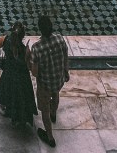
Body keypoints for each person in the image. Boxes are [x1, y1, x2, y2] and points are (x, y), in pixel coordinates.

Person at [29, 14, 69, 148]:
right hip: (58, 79)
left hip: (45, 84)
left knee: (44, 110)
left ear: (40, 29)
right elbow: (65, 57)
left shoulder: (37, 48)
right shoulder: (60, 39)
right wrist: (66, 71)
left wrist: (28, 59)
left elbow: (35, 73)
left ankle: (50, 137)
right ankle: (54, 113)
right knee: (56, 94)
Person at [0, 21, 37, 129]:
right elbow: (29, 67)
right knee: (22, 96)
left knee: (6, 91)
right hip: (22, 77)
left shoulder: (6, 41)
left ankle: (4, 107)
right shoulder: (24, 49)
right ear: (23, 35)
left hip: (9, 73)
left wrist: (4, 38)